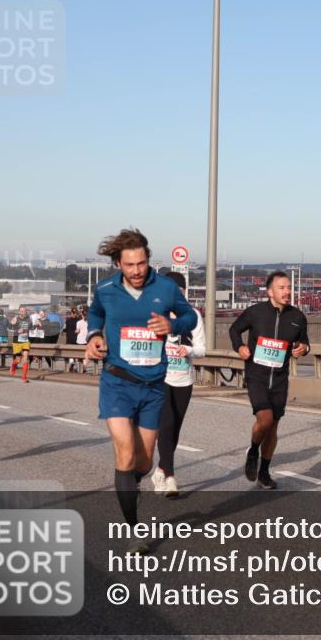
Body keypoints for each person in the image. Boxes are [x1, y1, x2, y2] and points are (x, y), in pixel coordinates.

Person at [85, 228, 197, 553]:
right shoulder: (104, 288)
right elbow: (95, 314)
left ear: (149, 260)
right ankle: (133, 528)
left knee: (144, 463)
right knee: (125, 453)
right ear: (118, 263)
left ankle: (132, 484)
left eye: (142, 264)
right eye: (130, 264)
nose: (136, 271)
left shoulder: (165, 288)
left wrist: (172, 325)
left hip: (153, 385)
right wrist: (94, 336)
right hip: (116, 381)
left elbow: (189, 316)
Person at [229, 271, 310, 490]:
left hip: (280, 378)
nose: (287, 292)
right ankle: (253, 450)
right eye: (282, 288)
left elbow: (304, 344)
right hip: (257, 375)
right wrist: (240, 347)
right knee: (264, 419)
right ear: (270, 291)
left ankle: (264, 471)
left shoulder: (297, 317)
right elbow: (234, 329)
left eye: (289, 287)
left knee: (273, 427)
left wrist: (303, 349)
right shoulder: (255, 312)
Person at [152, 272, 206, 498]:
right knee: (166, 425)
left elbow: (203, 350)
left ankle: (160, 471)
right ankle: (171, 477)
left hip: (184, 381)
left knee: (174, 431)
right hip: (161, 379)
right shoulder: (155, 315)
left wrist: (189, 350)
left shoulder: (193, 315)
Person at [9, 306, 33, 383]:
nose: (23, 312)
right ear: (19, 311)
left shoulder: (29, 319)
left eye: (24, 311)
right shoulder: (15, 319)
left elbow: (31, 328)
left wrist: (35, 325)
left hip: (26, 341)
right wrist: (17, 331)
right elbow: (9, 328)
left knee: (25, 358)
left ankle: (24, 378)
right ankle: (13, 365)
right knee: (18, 360)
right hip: (17, 342)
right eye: (21, 311)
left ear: (26, 311)